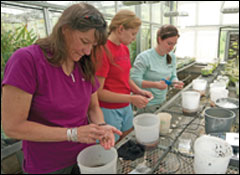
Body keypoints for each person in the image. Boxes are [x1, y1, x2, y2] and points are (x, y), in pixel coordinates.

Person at [1, 3, 122, 174]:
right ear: (65, 29)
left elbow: (93, 107)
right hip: (48, 164)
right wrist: (72, 134)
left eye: (93, 45)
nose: (88, 51)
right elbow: (12, 126)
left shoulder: (83, 64)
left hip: (85, 157)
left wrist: (101, 126)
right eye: (84, 41)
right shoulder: (27, 61)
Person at [96, 10, 153, 142]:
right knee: (111, 143)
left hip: (125, 106)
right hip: (108, 110)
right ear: (121, 29)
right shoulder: (103, 51)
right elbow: (99, 93)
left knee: (127, 137)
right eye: (133, 34)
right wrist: (132, 98)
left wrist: (138, 91)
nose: (134, 38)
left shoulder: (124, 48)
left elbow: (125, 77)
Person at [130, 24, 184, 114]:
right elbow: (134, 80)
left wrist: (176, 82)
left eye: (174, 44)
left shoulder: (172, 57)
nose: (172, 47)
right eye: (169, 43)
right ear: (159, 39)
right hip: (146, 104)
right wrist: (155, 85)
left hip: (163, 101)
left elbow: (173, 75)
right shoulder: (144, 57)